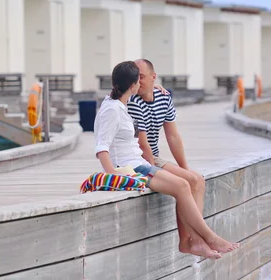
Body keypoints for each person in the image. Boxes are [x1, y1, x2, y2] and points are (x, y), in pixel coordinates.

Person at [94, 61, 239, 259]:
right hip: (131, 167)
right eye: (139, 79)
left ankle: (199, 240)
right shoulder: (113, 109)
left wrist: (156, 87)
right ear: (133, 84)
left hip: (139, 163)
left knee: (186, 183)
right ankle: (208, 238)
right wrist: (113, 177)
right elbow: (102, 147)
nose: (143, 83)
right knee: (182, 186)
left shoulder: (120, 104)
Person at [126, 59, 208, 257]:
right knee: (185, 183)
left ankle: (190, 239)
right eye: (135, 77)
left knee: (196, 179)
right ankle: (193, 240)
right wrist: (156, 171)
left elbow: (173, 136)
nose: (138, 81)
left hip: (154, 157)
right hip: (140, 159)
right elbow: (142, 145)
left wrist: (184, 167)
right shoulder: (133, 101)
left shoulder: (164, 97)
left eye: (142, 77)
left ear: (154, 77)